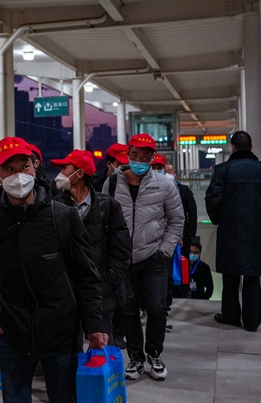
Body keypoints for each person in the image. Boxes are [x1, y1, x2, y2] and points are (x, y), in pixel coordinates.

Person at [0, 137, 106, 403]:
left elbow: (85, 276)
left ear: (35, 167)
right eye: (9, 169)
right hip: (13, 331)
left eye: (24, 166)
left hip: (62, 330)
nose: (18, 175)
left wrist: (94, 325)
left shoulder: (63, 216)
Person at [104, 133, 183, 381]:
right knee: (128, 311)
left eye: (144, 156)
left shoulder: (164, 184)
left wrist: (165, 250)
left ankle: (154, 354)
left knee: (158, 309)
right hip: (123, 259)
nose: (138, 159)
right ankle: (136, 359)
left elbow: (177, 220)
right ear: (129, 155)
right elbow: (103, 218)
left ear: (151, 157)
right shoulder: (113, 184)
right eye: (134, 155)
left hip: (153, 257)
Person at [52, 149, 131, 345]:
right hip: (66, 293)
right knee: (67, 351)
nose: (60, 174)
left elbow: (121, 250)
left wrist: (106, 283)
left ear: (79, 173)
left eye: (64, 168)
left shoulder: (108, 206)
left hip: (101, 293)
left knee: (102, 349)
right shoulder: (54, 207)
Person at [205, 130, 261, 332]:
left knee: (230, 276)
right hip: (255, 230)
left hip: (230, 230)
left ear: (233, 148)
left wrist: (219, 219)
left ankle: (230, 317)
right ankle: (252, 321)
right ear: (252, 147)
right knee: (252, 275)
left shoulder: (223, 170)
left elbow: (212, 198)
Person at [166, 163, 198, 258]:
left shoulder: (184, 190)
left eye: (170, 172)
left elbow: (192, 213)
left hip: (183, 237)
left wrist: (190, 235)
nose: (167, 175)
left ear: (175, 175)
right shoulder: (158, 191)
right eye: (164, 172)